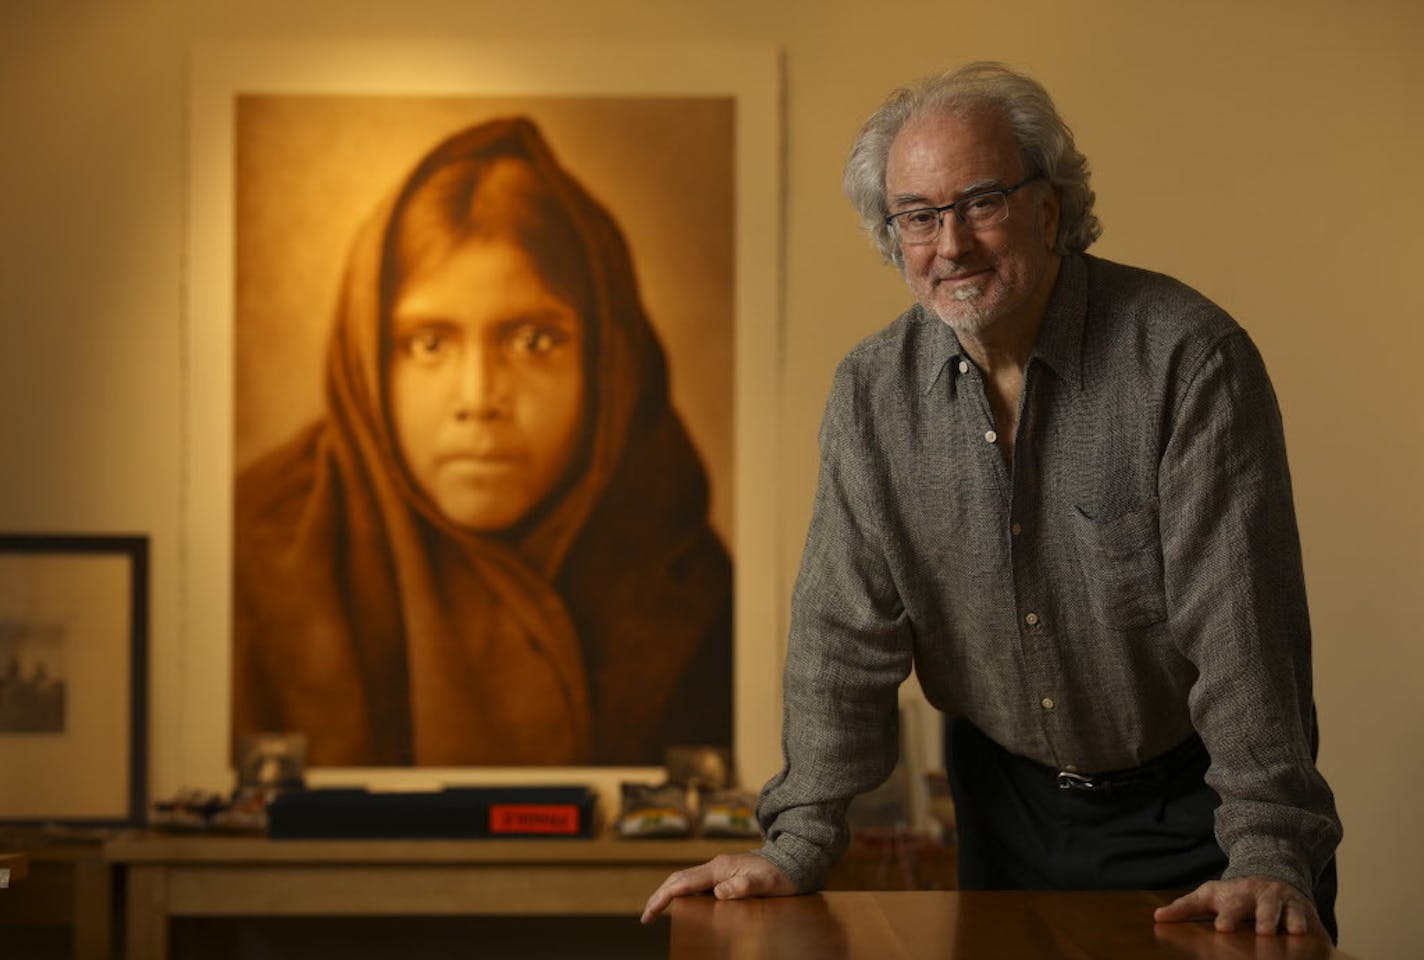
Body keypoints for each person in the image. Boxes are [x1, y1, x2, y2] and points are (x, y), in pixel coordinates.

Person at [641, 62, 1341, 941]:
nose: (951, 246)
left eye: (980, 203)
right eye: (919, 218)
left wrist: (1270, 852)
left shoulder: (1186, 361)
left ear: (1048, 208)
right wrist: (798, 842)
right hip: (1003, 812)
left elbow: (1243, 636)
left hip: (1198, 819)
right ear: (893, 237)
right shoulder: (871, 393)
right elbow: (841, 636)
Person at [233, 117, 732, 768]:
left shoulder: (680, 568)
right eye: (428, 345)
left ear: (609, 363)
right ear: (366, 364)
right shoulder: (263, 552)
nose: (478, 398)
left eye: (532, 342)